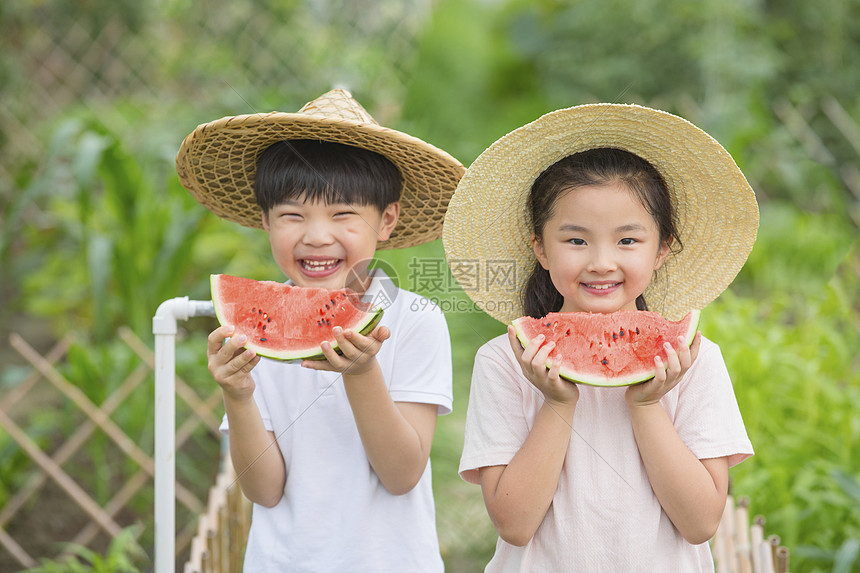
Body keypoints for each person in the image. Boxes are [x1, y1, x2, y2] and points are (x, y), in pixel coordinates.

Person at [442, 103, 759, 571]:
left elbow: (700, 524)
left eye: (628, 240)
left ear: (662, 249)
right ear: (540, 249)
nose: (602, 262)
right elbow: (514, 524)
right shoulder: (506, 360)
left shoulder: (693, 360)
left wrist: (647, 405)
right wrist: (557, 403)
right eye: (576, 240)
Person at [175, 89, 465, 571]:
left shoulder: (416, 321)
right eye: (293, 215)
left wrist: (361, 372)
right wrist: (239, 395)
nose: (316, 235)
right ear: (266, 221)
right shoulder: (255, 330)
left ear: (386, 220)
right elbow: (264, 490)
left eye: (343, 214)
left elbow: (401, 474)